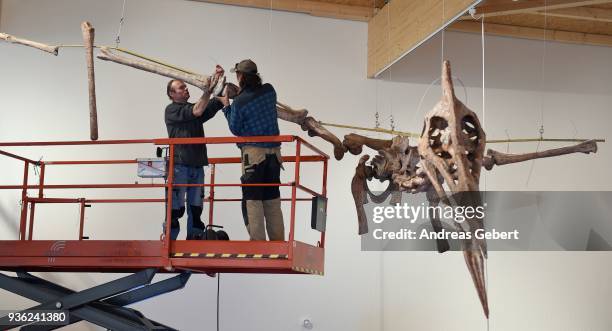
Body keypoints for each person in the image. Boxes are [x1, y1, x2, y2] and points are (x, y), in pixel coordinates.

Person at [216, 59, 285, 241]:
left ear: (240, 77)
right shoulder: (270, 91)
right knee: (272, 199)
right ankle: (278, 242)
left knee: (252, 200)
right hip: (275, 155)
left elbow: (235, 128)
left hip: (254, 155)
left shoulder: (239, 102)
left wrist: (226, 106)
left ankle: (258, 243)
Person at [164, 65, 224, 240]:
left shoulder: (191, 110)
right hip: (180, 166)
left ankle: (193, 243)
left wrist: (217, 81)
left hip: (196, 165)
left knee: (196, 208)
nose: (186, 89)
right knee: (175, 208)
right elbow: (198, 110)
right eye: (181, 88)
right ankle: (169, 243)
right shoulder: (172, 110)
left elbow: (208, 107)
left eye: (185, 86)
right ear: (172, 95)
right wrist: (207, 90)